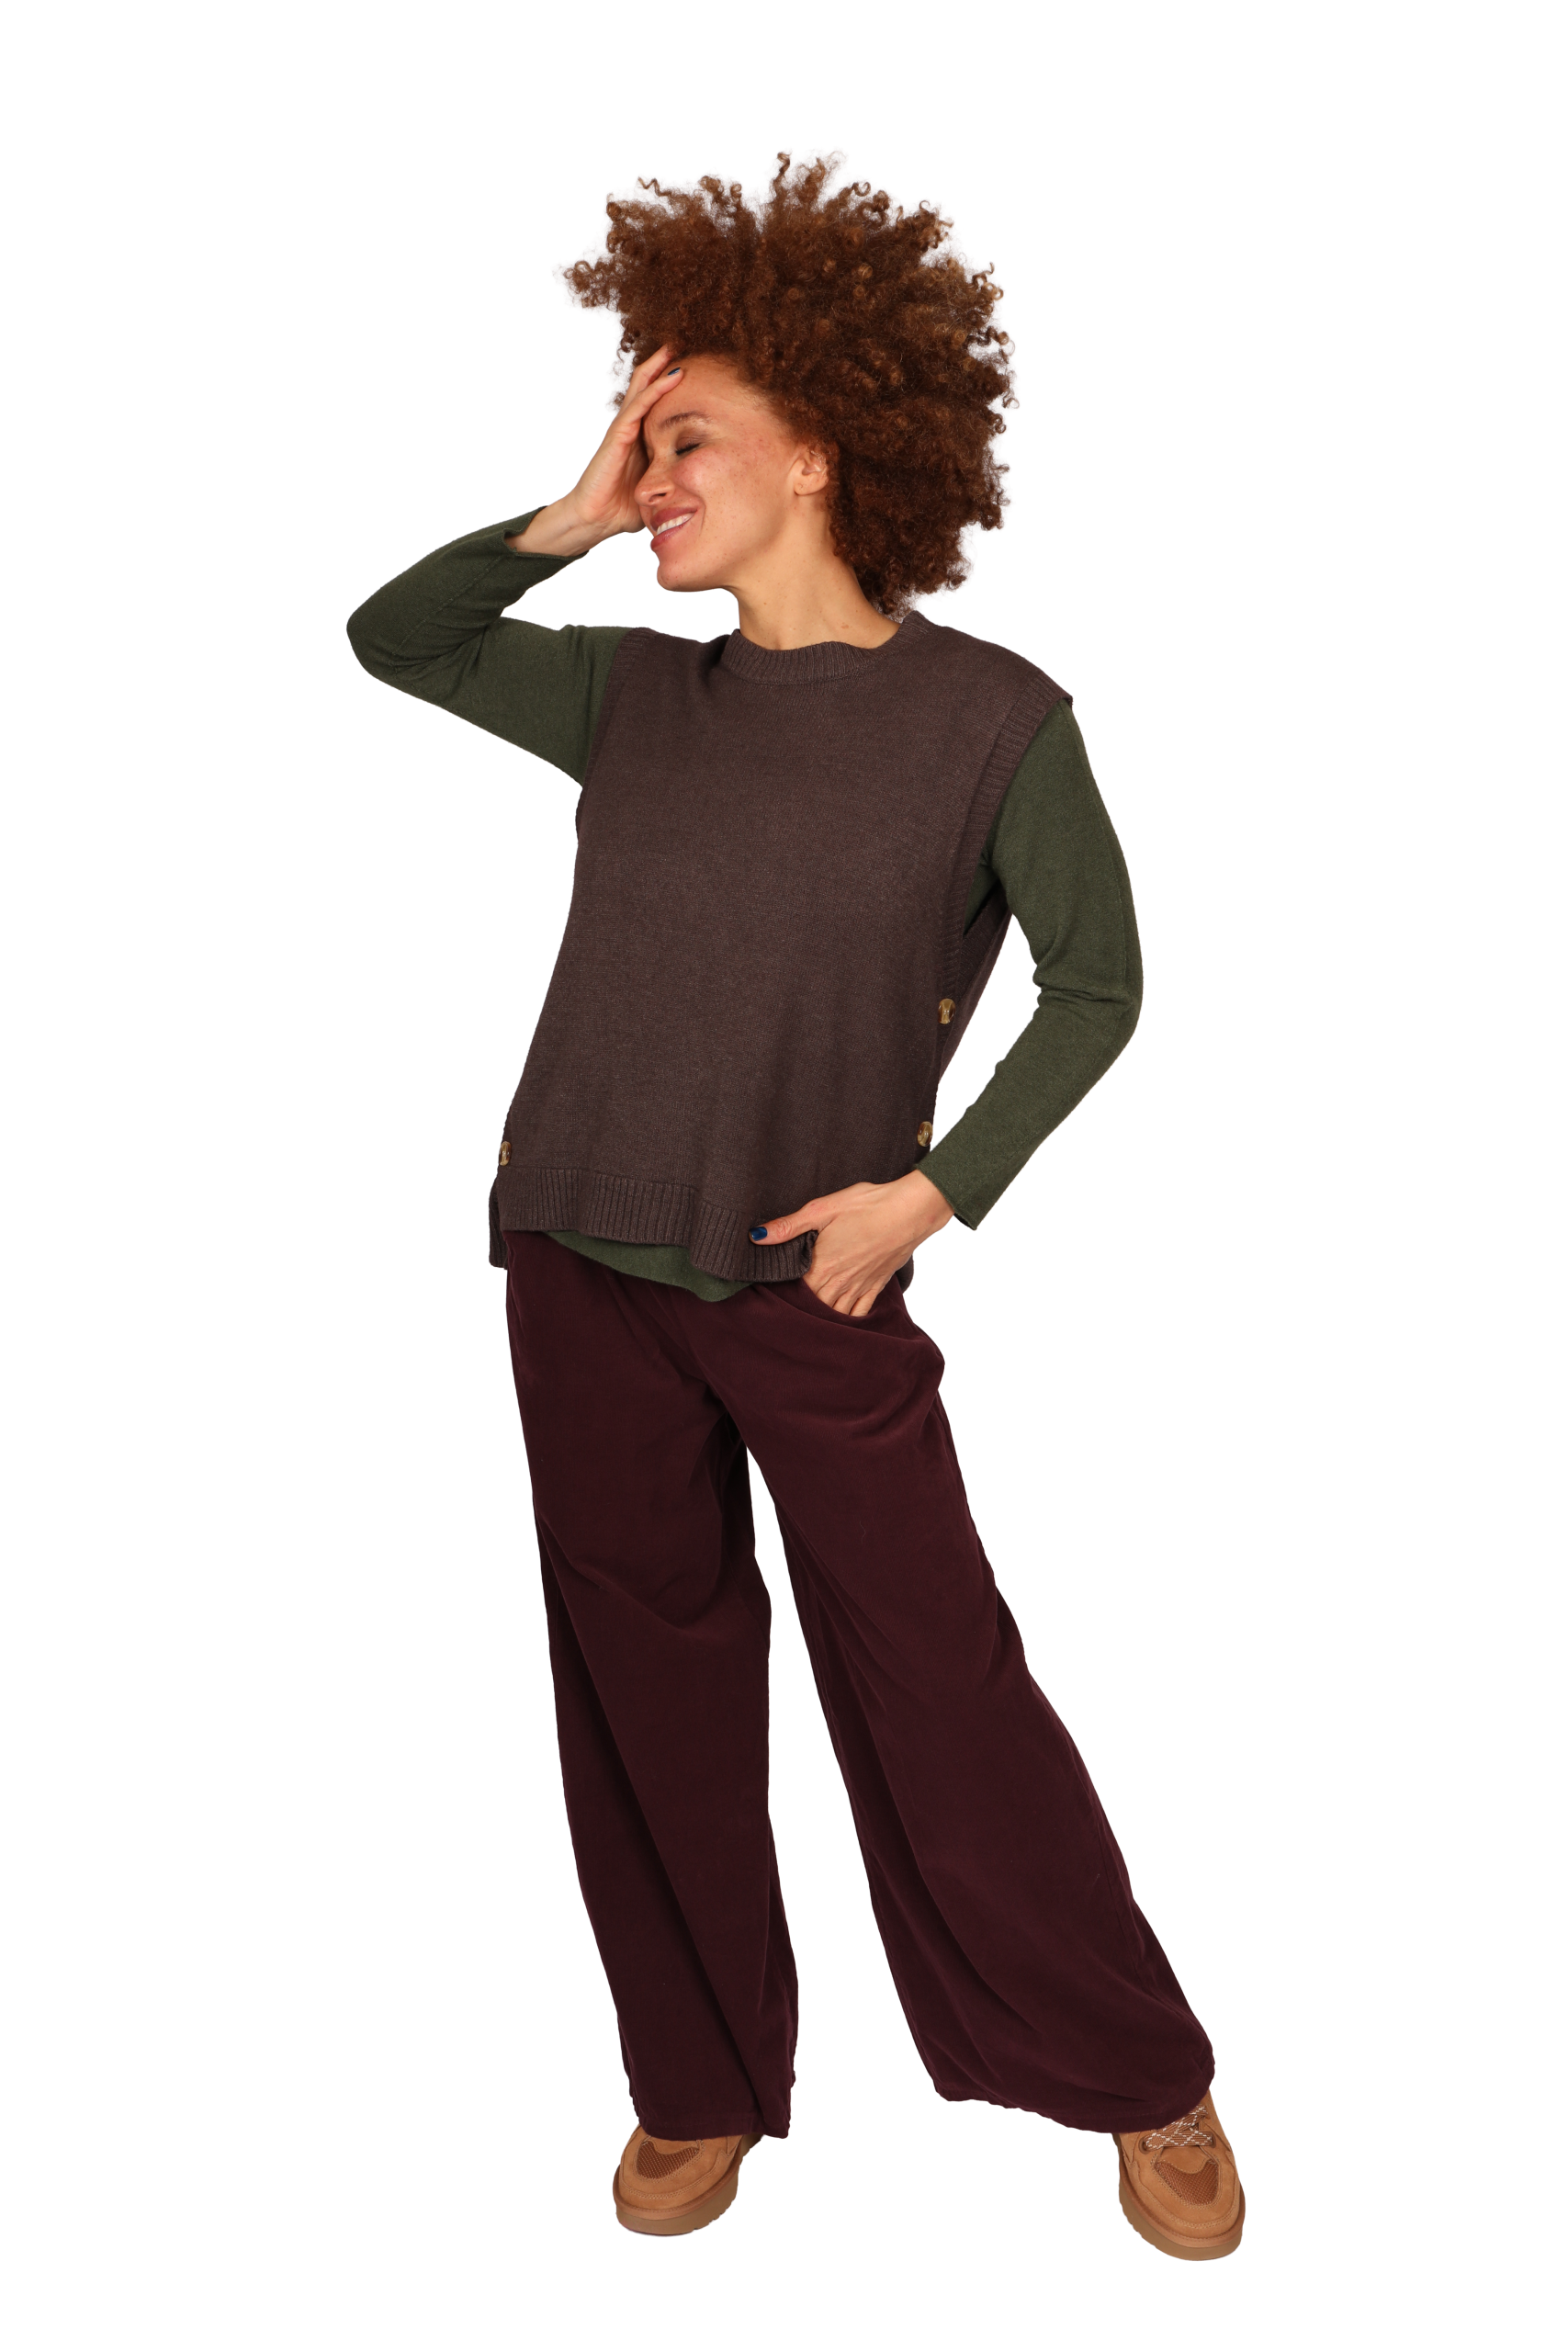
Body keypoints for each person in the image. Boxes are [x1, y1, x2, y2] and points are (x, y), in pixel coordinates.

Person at [347, 158, 1244, 2261]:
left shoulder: (989, 720)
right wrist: (573, 511)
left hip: (813, 1289)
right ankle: (696, 2078)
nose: (652, 477)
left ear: (822, 452)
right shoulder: (631, 696)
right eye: (638, 442)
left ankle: (1134, 2066)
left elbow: (1098, 984)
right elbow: (396, 638)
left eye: (687, 441)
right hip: (575, 1254)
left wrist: (930, 1191)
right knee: (640, 1679)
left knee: (941, 1680)